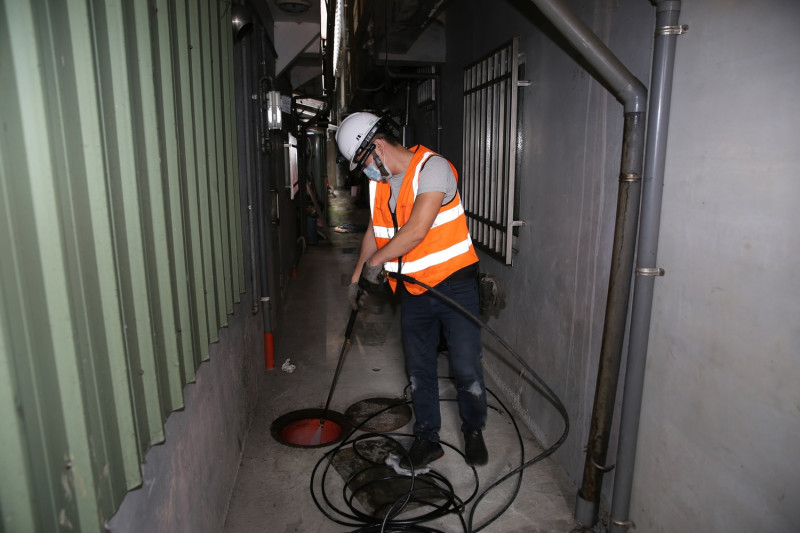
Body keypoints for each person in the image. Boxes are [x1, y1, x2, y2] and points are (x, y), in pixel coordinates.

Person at [335, 112, 489, 468]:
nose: (366, 173)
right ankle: (427, 438)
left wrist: (377, 264)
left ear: (376, 147)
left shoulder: (434, 169)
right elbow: (376, 232)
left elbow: (417, 229)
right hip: (414, 292)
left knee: (465, 368)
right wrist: (358, 275)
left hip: (455, 287)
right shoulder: (380, 182)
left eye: (363, 164)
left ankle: (474, 429)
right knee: (420, 371)